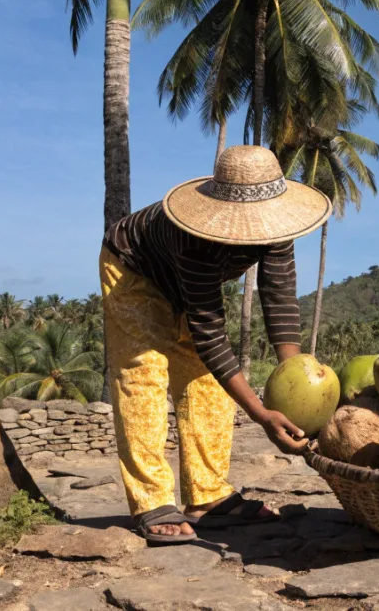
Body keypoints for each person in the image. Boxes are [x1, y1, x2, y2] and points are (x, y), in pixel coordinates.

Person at [99, 146, 331, 545]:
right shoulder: (196, 236)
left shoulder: (278, 224)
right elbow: (209, 333)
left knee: (206, 383)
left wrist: (295, 388)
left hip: (184, 283)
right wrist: (261, 415)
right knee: (143, 375)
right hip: (133, 269)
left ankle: (207, 496)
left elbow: (279, 297)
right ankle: (152, 501)